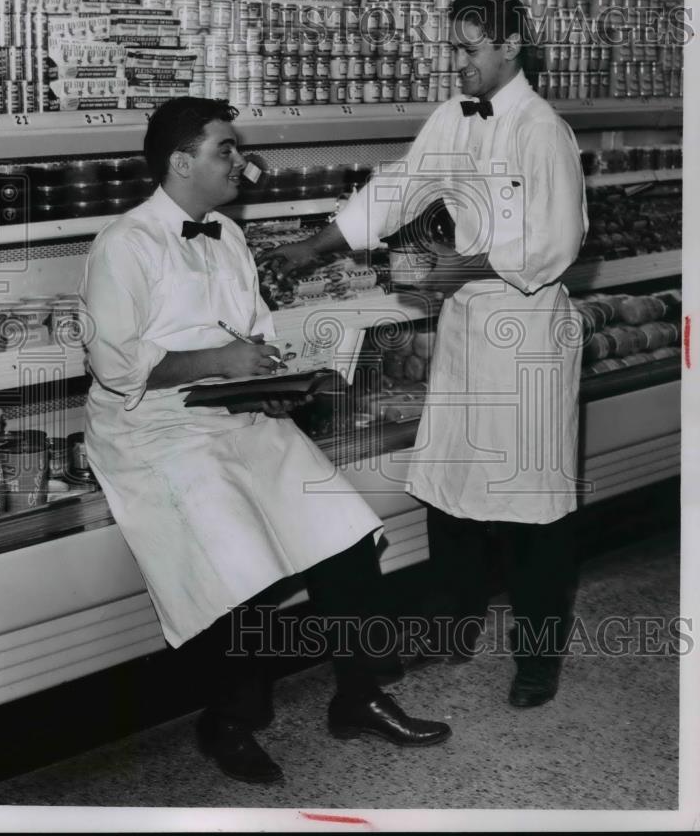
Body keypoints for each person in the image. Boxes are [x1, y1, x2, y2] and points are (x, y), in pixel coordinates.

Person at [79, 97, 450, 786]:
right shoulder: (123, 245)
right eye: (227, 150)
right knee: (239, 560)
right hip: (153, 428)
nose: (242, 164)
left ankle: (359, 694)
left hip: (236, 412)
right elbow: (115, 366)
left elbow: (252, 337)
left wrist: (284, 378)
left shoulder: (226, 233)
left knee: (343, 531)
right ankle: (229, 720)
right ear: (181, 162)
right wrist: (222, 362)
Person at [263, 0, 589, 709]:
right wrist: (313, 245)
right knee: (453, 491)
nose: (458, 64)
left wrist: (455, 268)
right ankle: (452, 624)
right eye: (453, 49)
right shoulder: (452, 117)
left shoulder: (543, 132)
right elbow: (400, 189)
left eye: (470, 50)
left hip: (529, 337)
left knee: (535, 508)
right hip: (470, 332)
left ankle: (538, 658)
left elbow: (555, 246)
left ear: (511, 45)